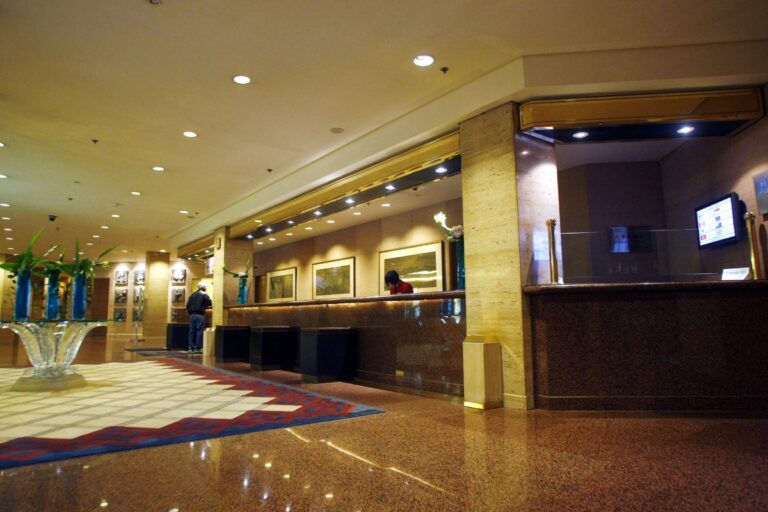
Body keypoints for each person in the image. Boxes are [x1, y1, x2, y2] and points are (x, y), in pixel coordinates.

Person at [186, 283, 212, 353]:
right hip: (200, 315)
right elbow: (209, 303)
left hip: (192, 315)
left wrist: (190, 313)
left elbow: (187, 306)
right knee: (199, 332)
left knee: (191, 332)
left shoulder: (192, 295)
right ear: (203, 287)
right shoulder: (204, 294)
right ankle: (198, 348)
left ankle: (190, 348)